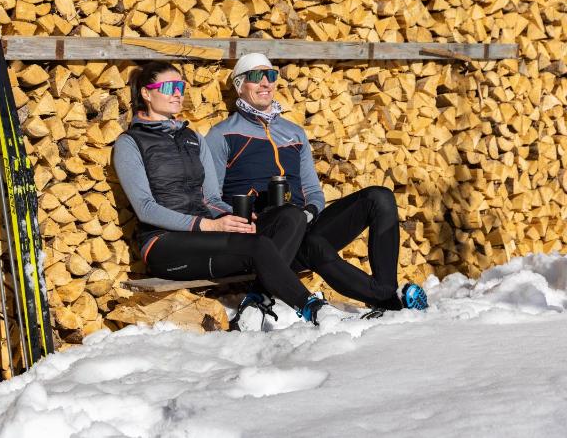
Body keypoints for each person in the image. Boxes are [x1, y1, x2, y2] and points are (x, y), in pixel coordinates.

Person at [205, 53, 428, 313]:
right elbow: (209, 197)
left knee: (380, 197)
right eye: (257, 76)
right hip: (265, 235)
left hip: (304, 222)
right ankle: (390, 301)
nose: (266, 83)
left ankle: (387, 289)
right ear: (239, 85)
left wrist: (309, 213)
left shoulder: (294, 133)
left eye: (271, 75)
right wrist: (239, 220)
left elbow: (313, 191)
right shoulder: (222, 134)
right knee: (314, 245)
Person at [113, 61, 327, 326]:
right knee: (260, 246)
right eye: (168, 87)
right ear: (147, 93)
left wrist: (238, 218)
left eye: (180, 86)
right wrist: (209, 225)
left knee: (282, 222)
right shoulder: (130, 142)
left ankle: (256, 305)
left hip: (206, 234)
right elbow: (145, 208)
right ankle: (312, 308)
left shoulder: (193, 138)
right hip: (163, 243)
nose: (177, 93)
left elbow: (212, 199)